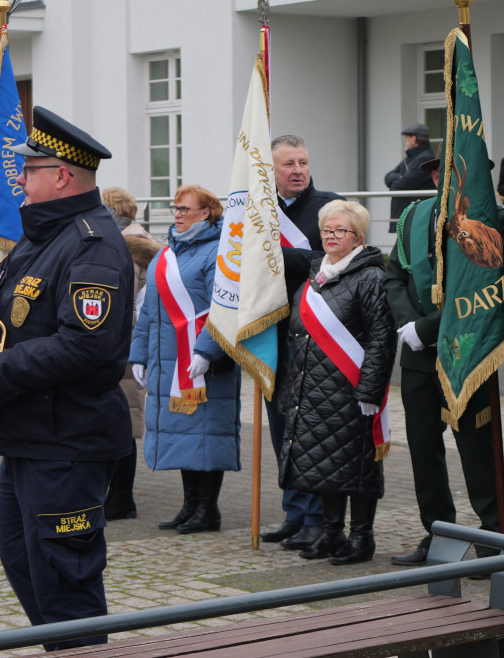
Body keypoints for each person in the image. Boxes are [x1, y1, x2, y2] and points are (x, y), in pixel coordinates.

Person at [0, 106, 133, 651]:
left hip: (67, 440)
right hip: (32, 436)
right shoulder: (45, 235)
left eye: (30, 167)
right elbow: (21, 316)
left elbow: (87, 343)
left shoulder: (90, 242)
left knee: (67, 580)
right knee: (25, 562)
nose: (19, 177)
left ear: (61, 175)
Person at [384, 157, 504, 566]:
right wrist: (409, 325)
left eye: (453, 169)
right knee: (424, 449)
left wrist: (429, 328)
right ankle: (438, 536)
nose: (443, 178)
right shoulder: (414, 216)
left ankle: (493, 540)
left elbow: (492, 288)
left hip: (470, 351)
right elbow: (394, 276)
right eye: (437, 172)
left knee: (478, 450)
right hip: (419, 354)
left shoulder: (497, 220)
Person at [277, 200, 396, 564]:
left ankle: (362, 538)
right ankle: (331, 532)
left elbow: (381, 337)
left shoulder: (371, 276)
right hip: (312, 388)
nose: (331, 236)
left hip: (351, 388)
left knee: (356, 464)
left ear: (358, 236)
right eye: (327, 229)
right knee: (324, 463)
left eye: (340, 230)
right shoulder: (316, 275)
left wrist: (371, 389)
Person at [129, 185, 241, 535]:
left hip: (203, 363)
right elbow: (149, 311)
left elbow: (225, 308)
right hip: (170, 362)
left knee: (205, 435)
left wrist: (206, 352)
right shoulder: (167, 254)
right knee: (182, 434)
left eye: (184, 209)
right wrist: (139, 354)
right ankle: (189, 505)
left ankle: (208, 510)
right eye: (175, 208)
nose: (177, 214)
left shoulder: (220, 253)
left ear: (206, 213)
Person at [261, 134, 342, 551]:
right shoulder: (261, 213)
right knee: (279, 426)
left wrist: (274, 255)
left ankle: (316, 517)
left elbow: (336, 260)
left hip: (315, 335)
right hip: (271, 331)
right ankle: (294, 511)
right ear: (271, 171)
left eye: (303, 162)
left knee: (307, 427)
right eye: (288, 164)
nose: (297, 171)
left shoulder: (330, 207)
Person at [102, 187, 162, 521]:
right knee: (117, 421)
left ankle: (122, 497)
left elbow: (139, 304)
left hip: (125, 347)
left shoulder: (130, 247)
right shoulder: (129, 241)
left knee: (122, 422)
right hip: (122, 345)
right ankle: (115, 494)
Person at [384, 124, 435, 232]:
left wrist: (399, 179)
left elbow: (401, 185)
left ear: (413, 139)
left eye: (407, 137)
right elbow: (388, 177)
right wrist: (400, 176)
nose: (405, 141)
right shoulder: (412, 158)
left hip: (414, 216)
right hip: (407, 214)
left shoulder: (424, 158)